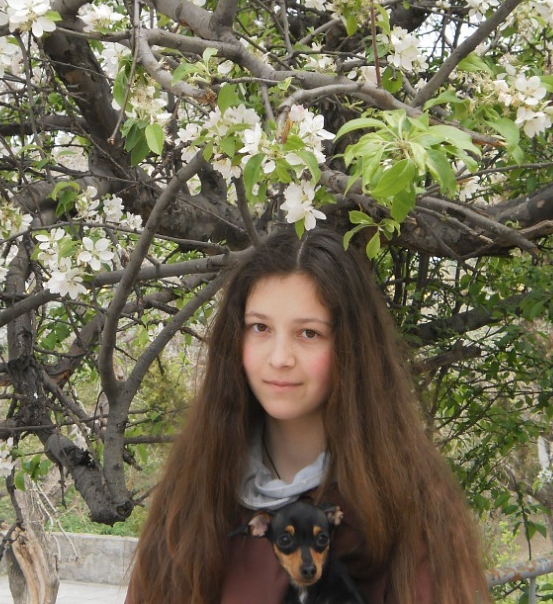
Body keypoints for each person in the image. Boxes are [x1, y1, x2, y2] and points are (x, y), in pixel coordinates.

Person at [125, 227, 490, 604]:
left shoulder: (405, 501)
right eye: (260, 328)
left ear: (350, 348)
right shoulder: (196, 493)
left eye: (309, 333)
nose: (280, 358)